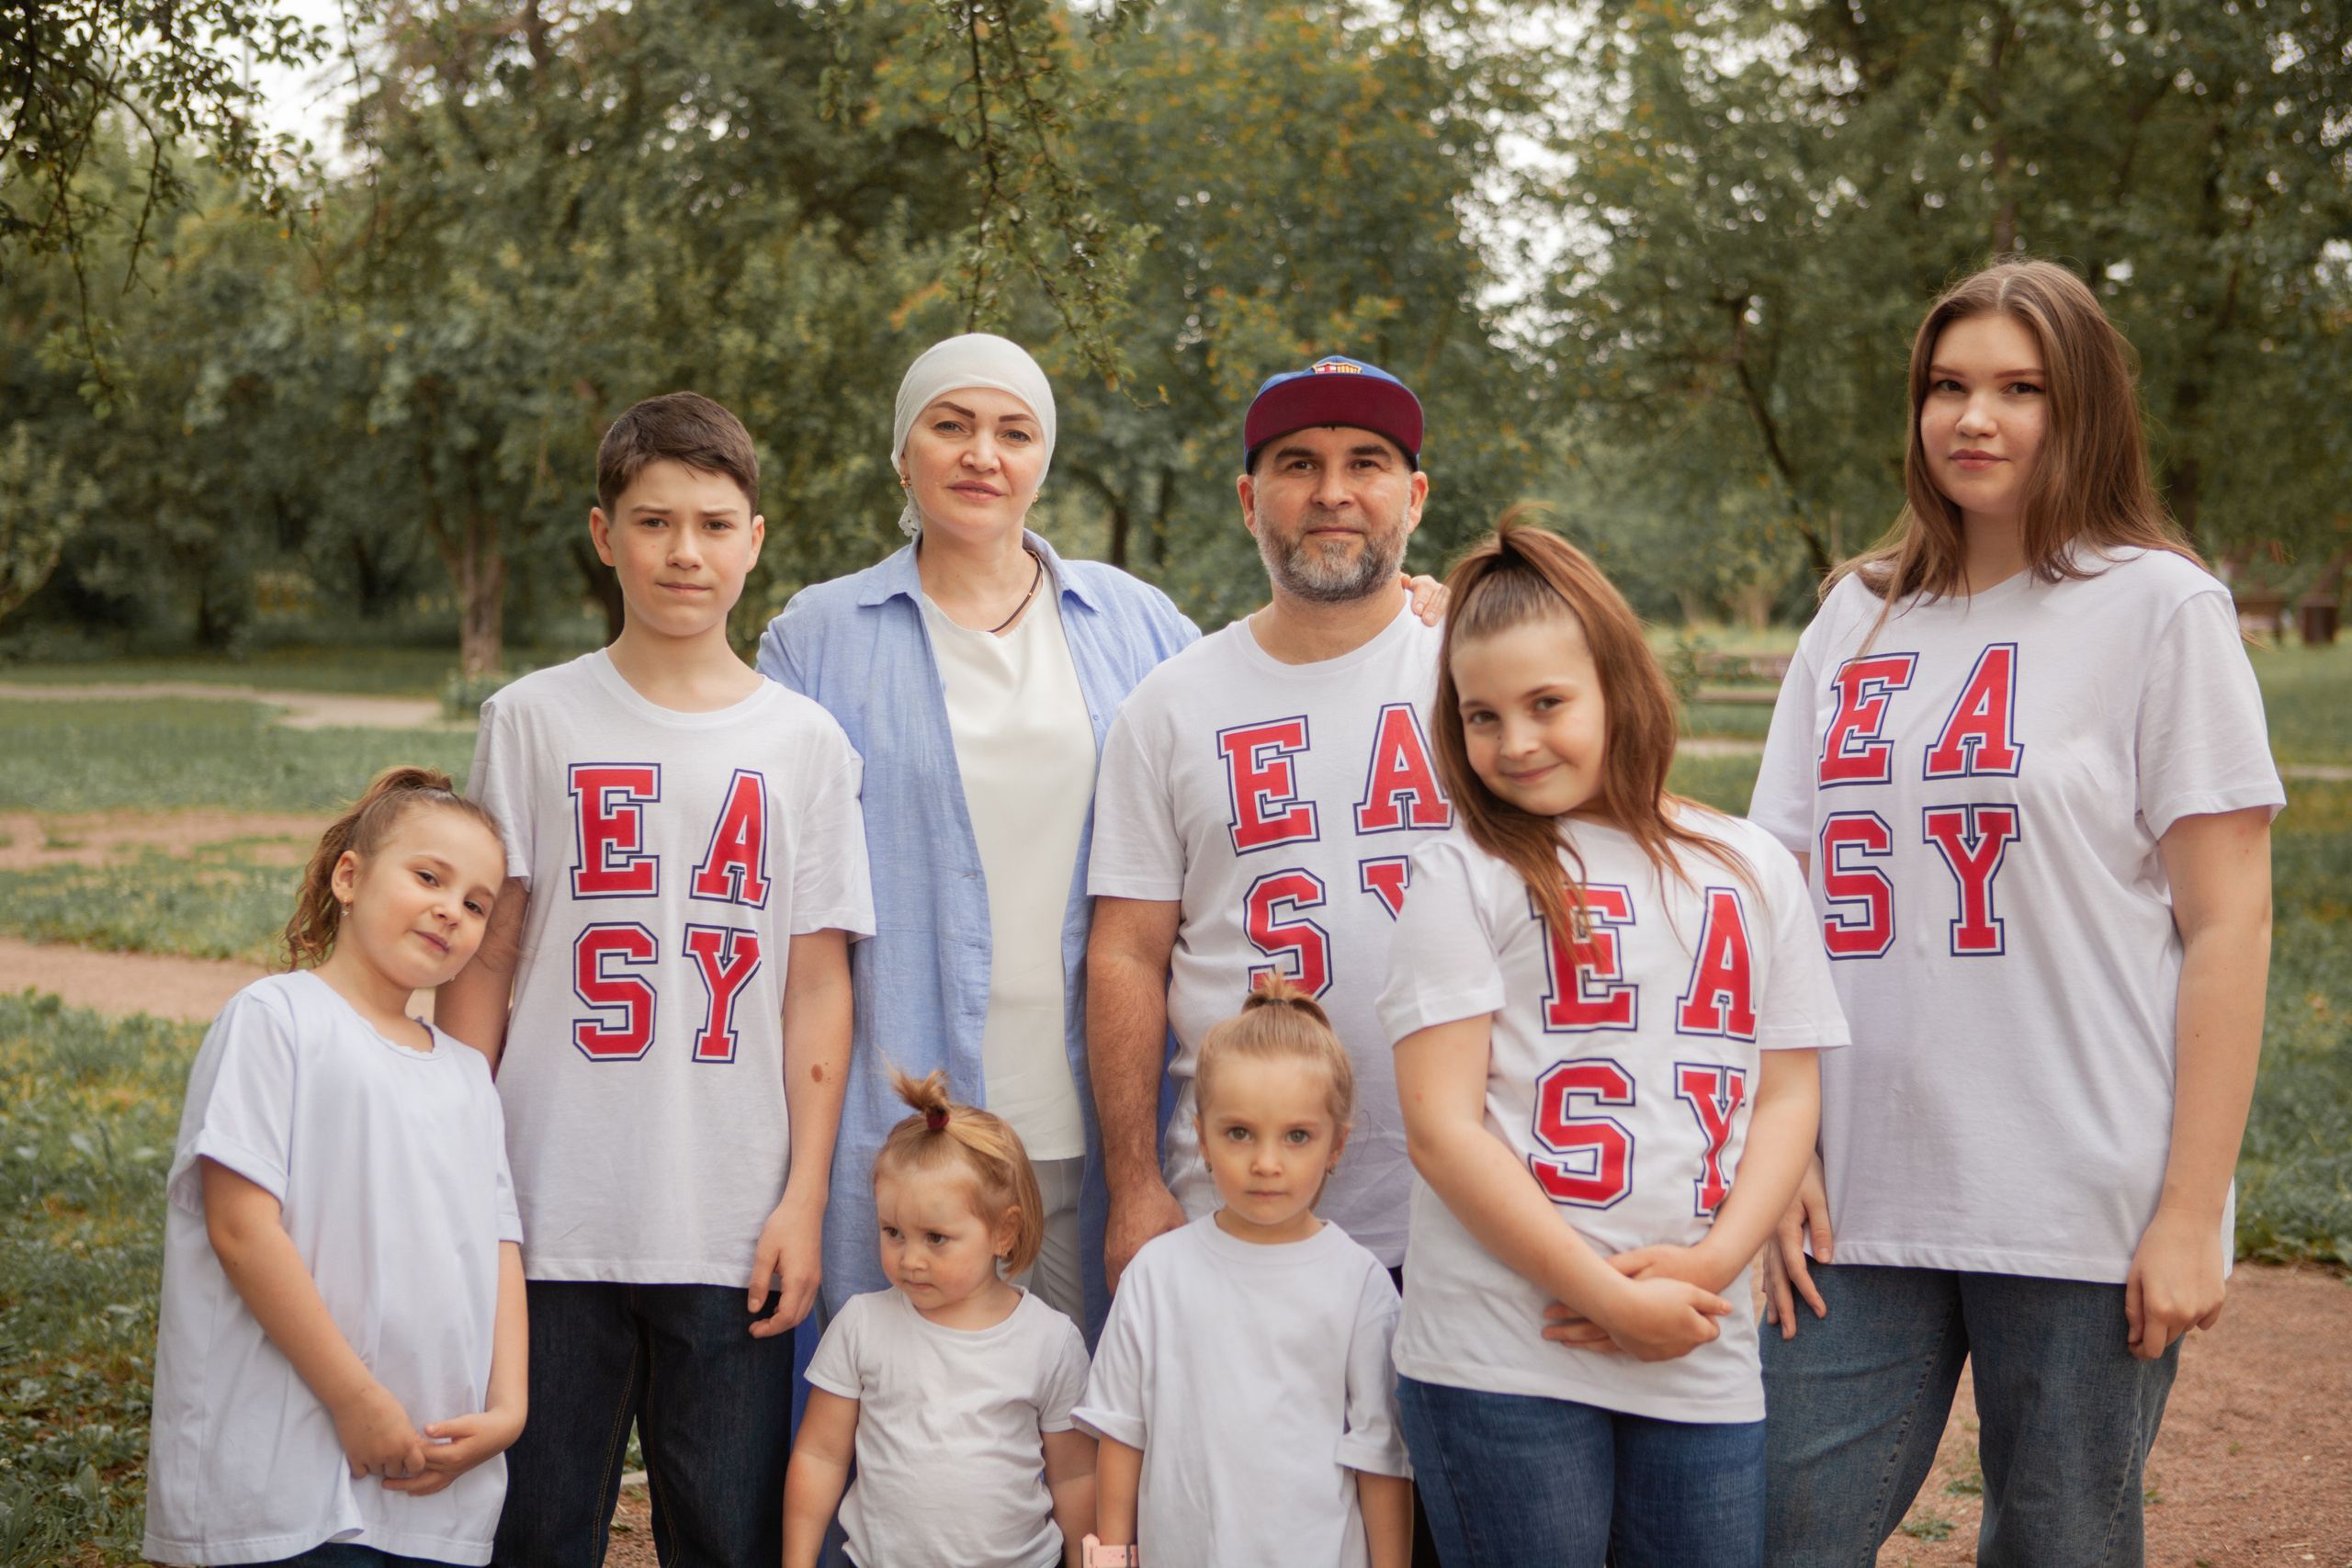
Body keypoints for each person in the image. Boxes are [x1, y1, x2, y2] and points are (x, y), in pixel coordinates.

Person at [1747, 258, 2281, 1564]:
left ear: (2082, 406)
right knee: (1772, 1528)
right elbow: (1771, 893)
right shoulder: (1856, 610)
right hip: (1852, 1189)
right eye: (1948, 385)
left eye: (2018, 388)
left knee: (2060, 1543)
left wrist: (2188, 1207)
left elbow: (2229, 924)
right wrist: (1776, 1142)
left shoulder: (2161, 607)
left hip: (2081, 1191)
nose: (1972, 416)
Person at [760, 333, 1440, 1337]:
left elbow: (1286, 682)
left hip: (1086, 1097)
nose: (981, 454)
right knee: (902, 1410)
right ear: (902, 453)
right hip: (903, 1103)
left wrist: (1432, 601)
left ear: (1045, 457)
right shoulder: (815, 636)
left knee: (1088, 1420)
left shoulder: (1133, 621)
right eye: (949, 426)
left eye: (1013, 431)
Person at [438, 392, 873, 1568]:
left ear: (756, 539)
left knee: (727, 1536)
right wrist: (459, 1161)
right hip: (547, 1205)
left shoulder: (807, 745)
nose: (686, 551)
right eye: (654, 521)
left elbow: (818, 984)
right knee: (532, 1531)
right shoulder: (532, 720)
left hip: (730, 1217)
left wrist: (800, 1197)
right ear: (602, 533)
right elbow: (491, 950)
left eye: (715, 524)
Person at [1376, 515, 1842, 1567]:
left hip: (1696, 1339)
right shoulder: (1462, 876)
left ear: (1619, 684)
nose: (1515, 742)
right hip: (1507, 1351)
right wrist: (1603, 1299)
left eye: (1547, 704)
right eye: (1481, 715)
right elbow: (1441, 1131)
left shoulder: (1752, 866)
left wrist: (1712, 1270)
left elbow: (1785, 1098)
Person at [1088, 355, 1456, 1298]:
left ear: (1412, 497)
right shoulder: (1168, 705)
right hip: (1235, 1209)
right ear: (1251, 500)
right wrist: (1133, 1187)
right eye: (1297, 465)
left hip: (1464, 1204)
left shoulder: (1478, 674)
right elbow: (1128, 953)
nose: (1332, 494)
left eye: (1365, 463)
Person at [145, 766, 526, 1568]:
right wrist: (357, 1403)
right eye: (428, 876)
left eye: (475, 903)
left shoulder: (467, 1074)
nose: (450, 910)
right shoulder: (276, 1017)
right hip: (283, 1485)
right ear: (349, 877)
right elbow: (241, 1229)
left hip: (432, 1491)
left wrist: (510, 1409)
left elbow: (499, 1245)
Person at [1074, 977, 1413, 1568]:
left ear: (1336, 1146)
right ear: (1202, 1138)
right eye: (1239, 1133)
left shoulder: (1360, 1286)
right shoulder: (1157, 1274)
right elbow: (1122, 1431)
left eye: (1298, 1136)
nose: (1265, 1162)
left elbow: (1381, 1458)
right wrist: (1112, 1556)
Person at [784, 1069, 1097, 1568]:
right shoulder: (862, 1326)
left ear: (1004, 1231)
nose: (910, 1259)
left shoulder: (1050, 1341)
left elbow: (1075, 1477)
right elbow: (820, 1457)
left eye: (935, 1237)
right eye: (893, 1232)